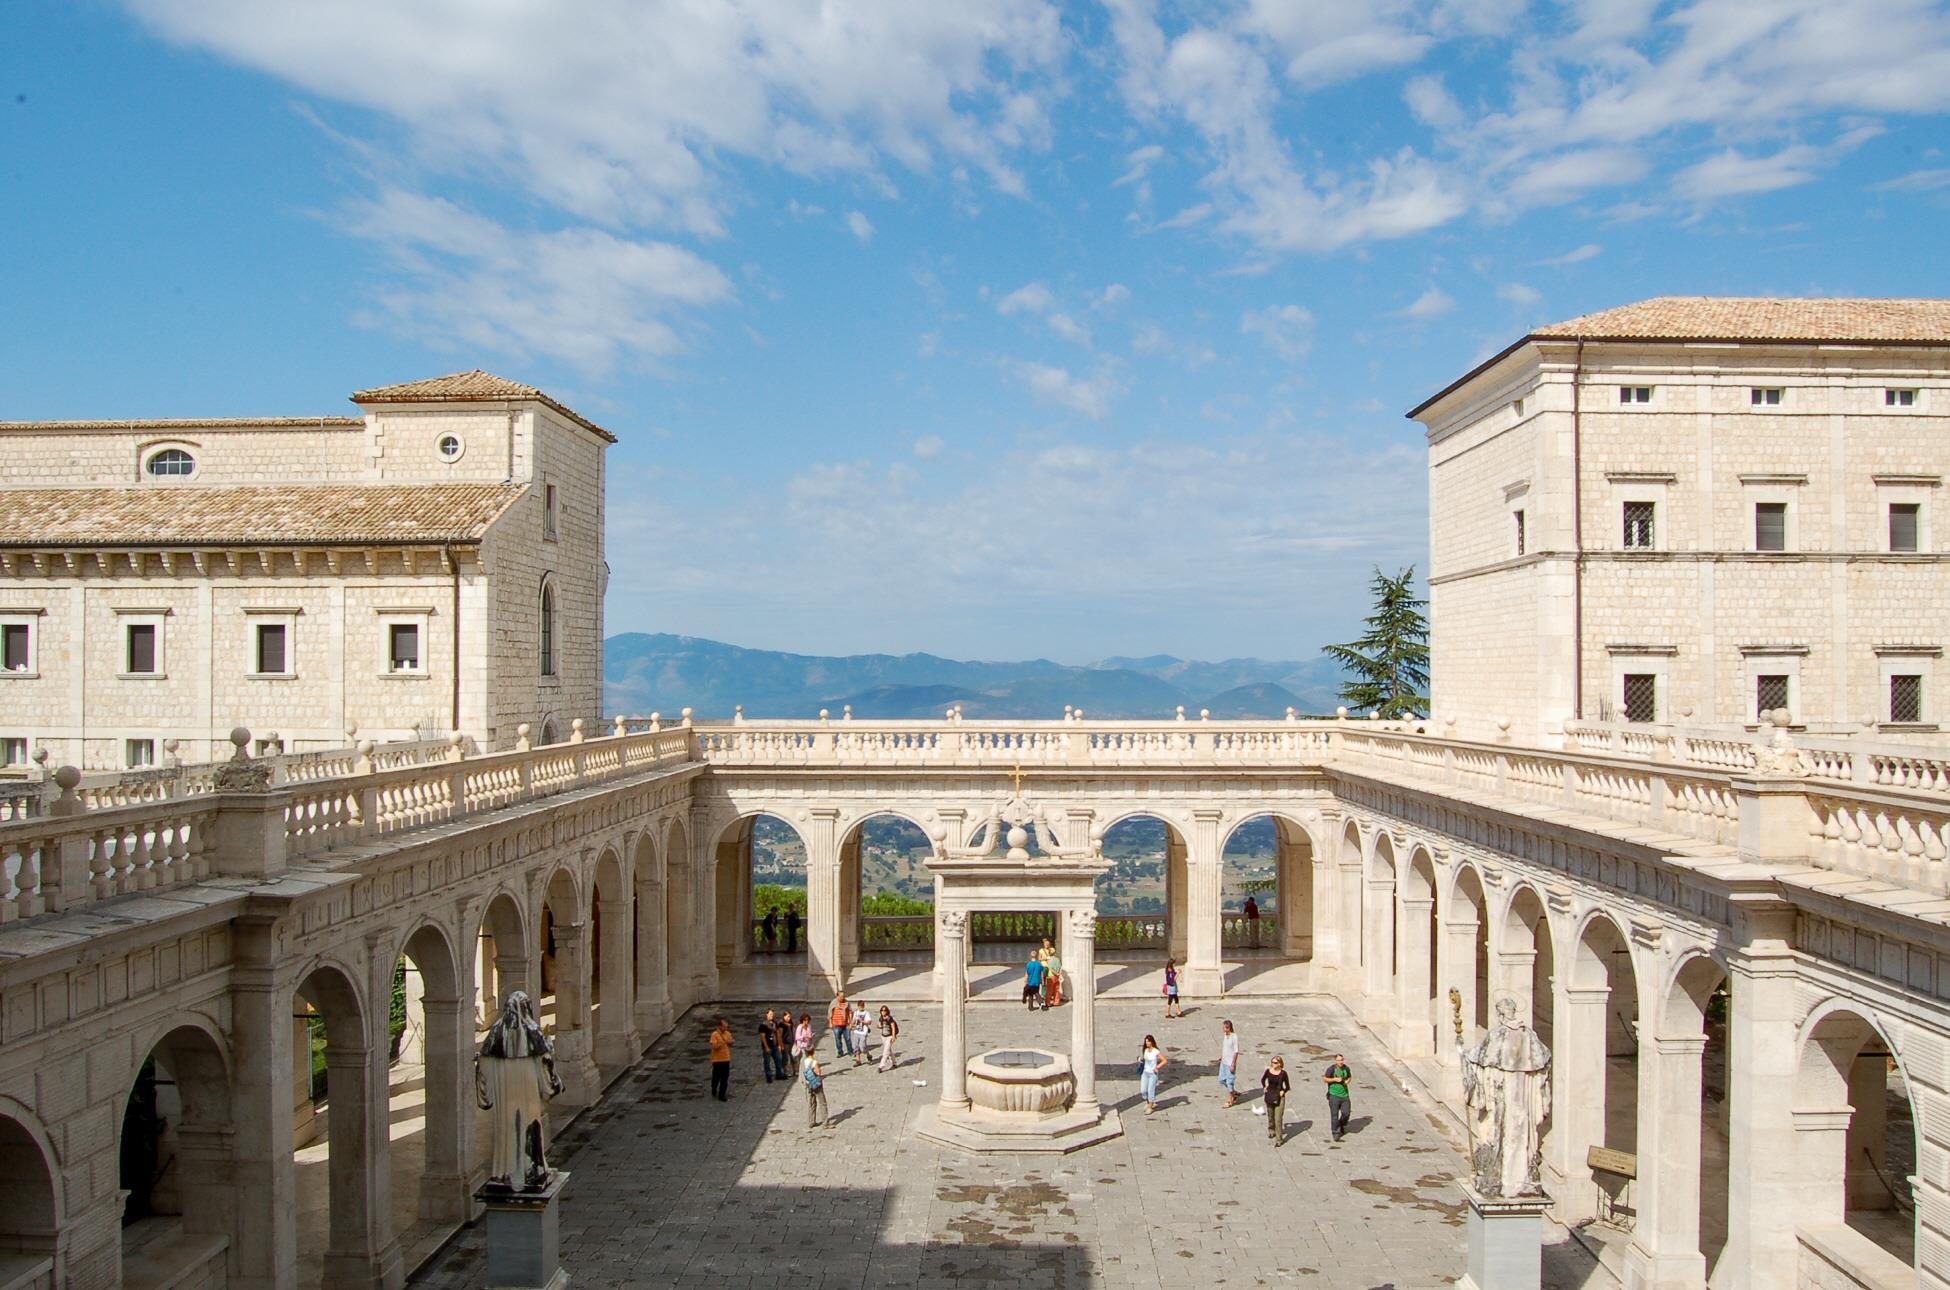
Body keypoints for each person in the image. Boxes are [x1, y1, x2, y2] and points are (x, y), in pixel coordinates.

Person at [1262, 1056, 1291, 1144]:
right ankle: (1271, 1130)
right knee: (1270, 1116)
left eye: (1275, 1063)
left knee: (1278, 1118)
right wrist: (1264, 1087)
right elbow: (1263, 1080)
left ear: (1279, 1064)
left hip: (1279, 1096)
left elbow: (1288, 1086)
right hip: (1270, 1095)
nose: (1272, 1064)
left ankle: (1279, 1139)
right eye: (1272, 1062)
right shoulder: (1268, 1071)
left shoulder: (1283, 1073)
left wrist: (1283, 1091)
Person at [1324, 1053, 1353, 1141]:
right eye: (1339, 1060)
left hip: (1344, 1095)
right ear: (1336, 1061)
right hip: (1334, 1095)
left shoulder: (1346, 1068)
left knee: (1346, 1113)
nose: (1341, 1062)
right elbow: (1325, 1079)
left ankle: (1341, 1124)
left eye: (1342, 1060)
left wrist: (1348, 1081)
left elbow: (1349, 1076)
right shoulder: (1331, 1069)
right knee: (1334, 1115)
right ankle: (1335, 1132)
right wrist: (1334, 1079)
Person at [1138, 1034, 1168, 1113]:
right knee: (1143, 1090)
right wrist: (1140, 1061)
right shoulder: (1145, 1050)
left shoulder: (1155, 1051)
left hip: (1152, 1074)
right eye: (1146, 1042)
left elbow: (1164, 1060)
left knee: (1150, 1090)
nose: (1147, 1043)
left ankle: (1150, 1107)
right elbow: (1146, 1060)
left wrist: (1157, 1067)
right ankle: (1149, 1103)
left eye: (1148, 1041)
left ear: (1152, 1042)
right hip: (1145, 1072)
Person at [801, 1048, 828, 1128]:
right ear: (813, 1052)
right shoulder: (814, 1062)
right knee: (822, 1102)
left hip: (809, 1084)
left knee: (812, 1102)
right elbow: (818, 1073)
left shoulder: (804, 1061)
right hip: (816, 1084)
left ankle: (811, 1121)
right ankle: (825, 1122)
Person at [709, 1017, 733, 1102]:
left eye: (726, 1027)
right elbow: (714, 1047)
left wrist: (730, 1042)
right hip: (717, 1060)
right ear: (720, 1026)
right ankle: (714, 1088)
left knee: (725, 1078)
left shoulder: (728, 1033)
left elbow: (731, 1044)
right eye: (724, 1027)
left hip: (726, 1059)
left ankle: (722, 1095)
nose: (725, 1029)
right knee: (716, 1077)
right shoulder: (714, 1034)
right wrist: (722, 1042)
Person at [1218, 1019, 1240, 1108]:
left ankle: (1230, 1100)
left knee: (1230, 1082)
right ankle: (1234, 1093)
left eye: (1225, 1028)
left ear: (1229, 1028)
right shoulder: (1225, 1036)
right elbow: (1225, 1048)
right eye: (1223, 1027)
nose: (1224, 1029)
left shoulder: (1234, 1037)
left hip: (1230, 1063)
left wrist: (1233, 1064)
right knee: (1221, 1080)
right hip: (1224, 1062)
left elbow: (1236, 1051)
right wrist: (1222, 1057)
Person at [758, 1007, 781, 1082]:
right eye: (770, 1014)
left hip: (775, 1045)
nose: (772, 1016)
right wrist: (766, 1047)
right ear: (766, 1014)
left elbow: (777, 1033)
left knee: (778, 1060)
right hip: (768, 1046)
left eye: (773, 1014)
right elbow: (762, 1036)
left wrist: (779, 1044)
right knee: (767, 1062)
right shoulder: (763, 1025)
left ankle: (779, 1074)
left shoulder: (775, 1023)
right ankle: (769, 1077)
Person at [829, 994, 853, 1059]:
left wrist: (850, 1022)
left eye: (844, 996)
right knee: (838, 1039)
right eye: (841, 996)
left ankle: (850, 1051)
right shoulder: (833, 1003)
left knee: (848, 1039)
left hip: (846, 1024)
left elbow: (850, 1012)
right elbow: (830, 1013)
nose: (843, 997)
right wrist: (830, 1023)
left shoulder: (847, 1003)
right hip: (836, 1024)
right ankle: (840, 1052)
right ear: (838, 996)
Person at [850, 1000, 873, 1067]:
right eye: (860, 1006)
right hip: (856, 1031)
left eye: (862, 1006)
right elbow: (853, 1020)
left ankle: (868, 1055)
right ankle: (858, 1060)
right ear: (858, 1006)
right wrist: (851, 1024)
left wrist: (862, 1021)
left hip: (863, 1032)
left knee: (863, 1047)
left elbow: (869, 1022)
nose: (861, 1008)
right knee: (855, 1046)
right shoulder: (856, 1013)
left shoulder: (866, 1013)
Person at [877, 1005, 899, 1072]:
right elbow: (881, 1026)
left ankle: (881, 1066)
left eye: (884, 1010)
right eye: (882, 1010)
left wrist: (894, 1036)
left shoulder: (889, 1018)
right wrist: (879, 1027)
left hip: (889, 1036)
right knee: (889, 1051)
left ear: (887, 1011)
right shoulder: (881, 1018)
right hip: (883, 1036)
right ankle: (894, 1063)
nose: (883, 1012)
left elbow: (893, 1027)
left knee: (885, 1051)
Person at [1045, 944, 1064, 1008]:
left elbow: (1051, 969)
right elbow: (1060, 967)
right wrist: (1059, 974)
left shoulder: (1049, 960)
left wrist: (1056, 973)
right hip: (1057, 977)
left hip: (1051, 976)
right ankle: (1056, 1002)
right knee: (1057, 990)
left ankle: (1048, 1003)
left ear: (1049, 953)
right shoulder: (1058, 959)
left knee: (1049, 990)